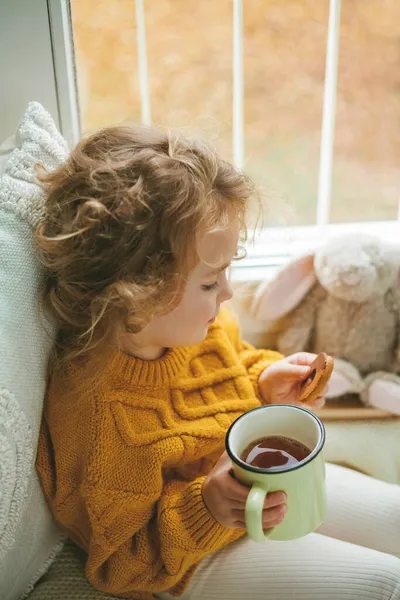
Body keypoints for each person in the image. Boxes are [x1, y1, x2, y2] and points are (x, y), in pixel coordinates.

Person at [35, 126, 400, 600]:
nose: (227, 293)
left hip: (256, 483)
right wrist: (206, 508)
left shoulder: (191, 327)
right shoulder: (99, 417)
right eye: (210, 284)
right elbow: (121, 565)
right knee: (382, 584)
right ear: (135, 296)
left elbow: (228, 367)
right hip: (190, 551)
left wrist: (265, 380)